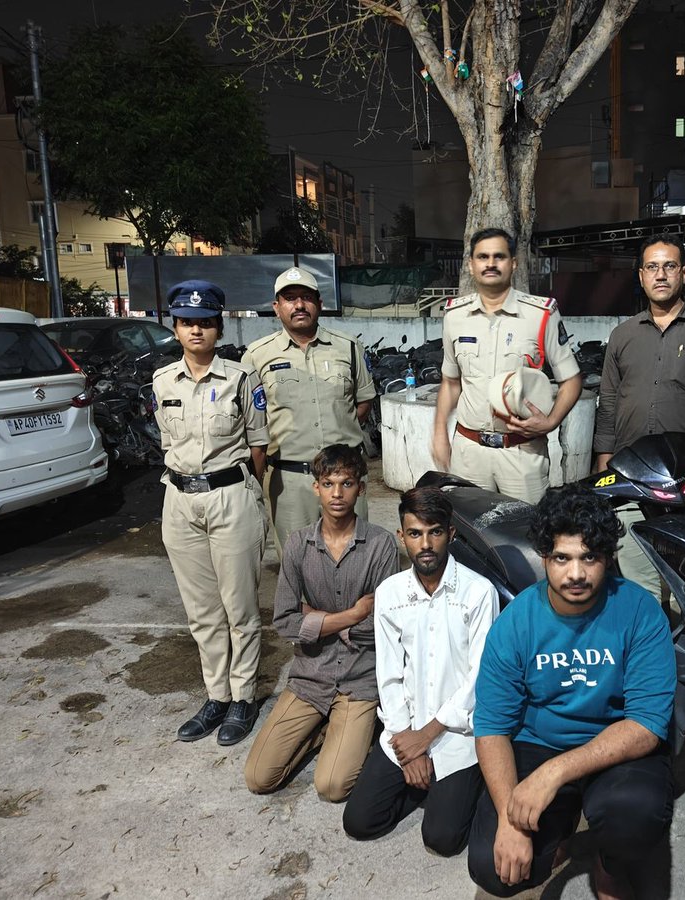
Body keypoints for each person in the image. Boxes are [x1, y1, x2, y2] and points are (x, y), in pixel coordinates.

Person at [467, 484, 676, 898]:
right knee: (492, 869)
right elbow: (491, 725)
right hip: (538, 742)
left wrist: (555, 773)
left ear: (608, 557)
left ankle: (608, 864)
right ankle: (558, 833)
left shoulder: (640, 611)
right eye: (562, 558)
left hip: (616, 746)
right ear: (544, 557)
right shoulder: (516, 622)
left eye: (589, 558)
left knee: (635, 814)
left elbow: (647, 724)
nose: (576, 574)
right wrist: (511, 820)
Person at [342, 487, 499, 855]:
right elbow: (389, 674)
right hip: (405, 730)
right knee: (360, 823)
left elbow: (479, 677)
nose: (425, 543)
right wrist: (409, 745)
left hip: (457, 734)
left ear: (451, 534)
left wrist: (426, 738)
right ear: (402, 537)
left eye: (435, 532)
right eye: (415, 534)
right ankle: (422, 784)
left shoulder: (478, 593)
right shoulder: (390, 593)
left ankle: (458, 788)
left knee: (442, 839)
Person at [593, 235, 685, 599]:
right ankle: (652, 653)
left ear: (684, 273)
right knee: (637, 585)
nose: (660, 274)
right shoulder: (622, 336)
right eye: (652, 267)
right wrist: (604, 477)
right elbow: (609, 406)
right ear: (641, 276)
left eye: (669, 266)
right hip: (631, 482)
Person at [243, 444, 399, 800]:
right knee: (258, 777)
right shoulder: (298, 544)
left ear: (361, 487)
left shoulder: (381, 545)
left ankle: (355, 728)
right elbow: (284, 621)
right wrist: (351, 615)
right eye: (328, 484)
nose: (337, 494)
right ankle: (323, 730)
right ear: (316, 488)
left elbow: (381, 627)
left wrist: (314, 618)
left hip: (360, 679)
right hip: (310, 676)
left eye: (346, 484)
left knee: (331, 786)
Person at [152, 280, 271, 746]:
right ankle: (216, 696)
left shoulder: (242, 378)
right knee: (201, 611)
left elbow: (258, 444)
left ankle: (244, 696)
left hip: (230, 496)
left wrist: (250, 494)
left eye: (204, 323)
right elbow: (167, 442)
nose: (196, 331)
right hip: (179, 501)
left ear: (219, 328)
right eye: (186, 323)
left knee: (240, 606)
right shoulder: (162, 382)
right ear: (176, 329)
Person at [432, 228, 583, 504]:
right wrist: (440, 432)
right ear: (471, 264)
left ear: (513, 263)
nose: (490, 263)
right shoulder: (454, 316)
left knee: (526, 537)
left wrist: (550, 422)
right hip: (469, 453)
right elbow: (451, 382)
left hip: (522, 453)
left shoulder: (541, 314)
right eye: (483, 257)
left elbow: (571, 379)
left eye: (499, 256)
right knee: (469, 536)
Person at [243, 266, 376, 555]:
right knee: (298, 563)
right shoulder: (256, 355)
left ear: (320, 303)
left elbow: (362, 401)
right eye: (290, 298)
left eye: (306, 297)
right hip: (289, 483)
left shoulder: (349, 348)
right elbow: (252, 417)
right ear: (276, 307)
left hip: (346, 477)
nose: (299, 305)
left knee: (355, 558)